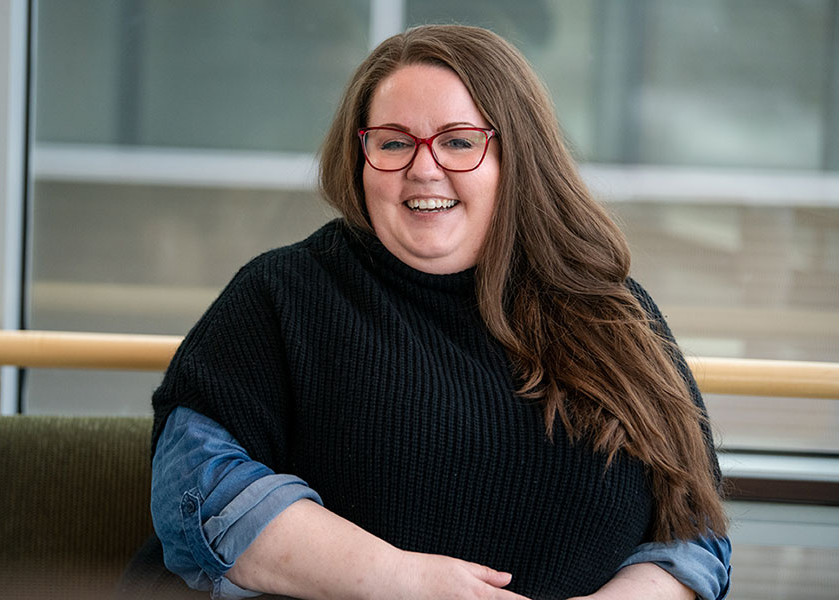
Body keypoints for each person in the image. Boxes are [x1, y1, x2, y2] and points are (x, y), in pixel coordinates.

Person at [132, 24, 732, 600]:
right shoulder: (282, 294)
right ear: (361, 157)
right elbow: (195, 490)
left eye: (458, 141)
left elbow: (695, 531)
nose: (423, 168)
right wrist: (403, 582)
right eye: (393, 142)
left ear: (516, 158)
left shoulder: (613, 314)